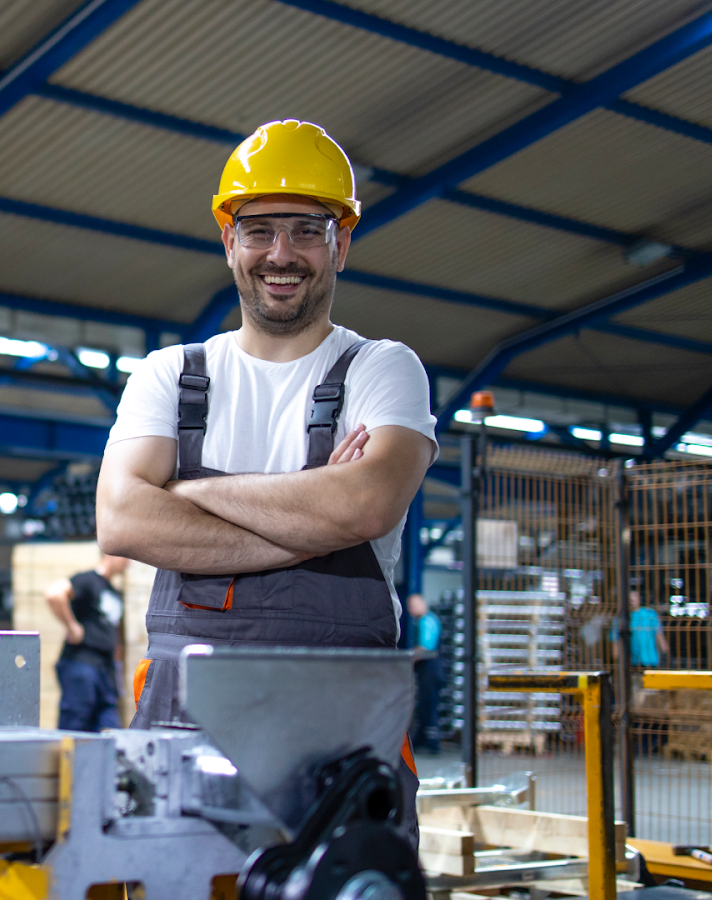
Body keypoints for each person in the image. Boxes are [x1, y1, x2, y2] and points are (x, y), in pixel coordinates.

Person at [97, 120, 437, 842]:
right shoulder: (171, 374)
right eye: (258, 230)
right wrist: (315, 517)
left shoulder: (382, 369)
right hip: (180, 735)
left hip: (340, 745)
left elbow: (367, 503)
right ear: (229, 242)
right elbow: (124, 521)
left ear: (340, 244)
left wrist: (192, 493)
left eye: (307, 231)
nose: (281, 254)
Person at [45, 554, 130, 732]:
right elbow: (54, 594)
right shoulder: (88, 580)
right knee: (76, 726)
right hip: (82, 663)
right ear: (111, 555)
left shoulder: (114, 593)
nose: (128, 563)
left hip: (105, 671)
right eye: (126, 557)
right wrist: (72, 626)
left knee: (110, 730)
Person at [407, 594, 443, 754]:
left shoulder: (427, 621)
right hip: (426, 671)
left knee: (429, 706)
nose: (411, 610)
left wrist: (408, 659)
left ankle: (431, 742)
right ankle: (421, 740)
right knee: (423, 706)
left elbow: (425, 648)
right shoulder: (423, 621)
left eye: (414, 605)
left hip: (430, 670)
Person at [613, 589, 669, 667]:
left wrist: (664, 653)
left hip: (650, 660)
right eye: (629, 598)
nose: (632, 600)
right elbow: (615, 640)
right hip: (630, 663)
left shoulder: (650, 614)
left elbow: (659, 635)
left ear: (639, 599)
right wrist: (616, 660)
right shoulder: (620, 618)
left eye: (634, 597)